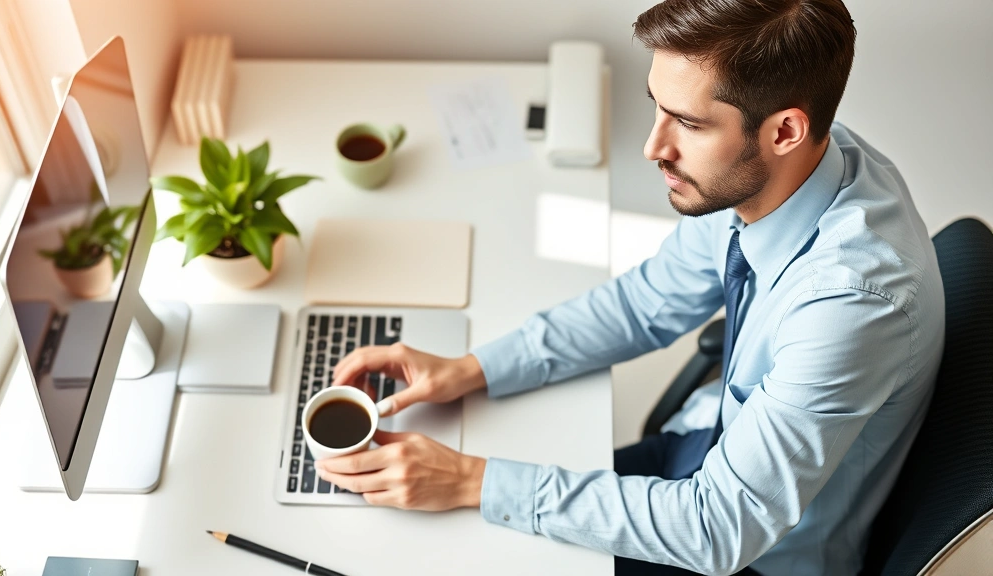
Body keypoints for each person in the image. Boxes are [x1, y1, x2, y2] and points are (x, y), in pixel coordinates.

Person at [315, 1, 946, 574]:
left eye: (688, 124)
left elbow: (719, 528)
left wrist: (468, 481)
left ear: (784, 131)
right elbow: (648, 302)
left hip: (754, 553)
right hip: (706, 448)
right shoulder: (781, 171)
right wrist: (471, 369)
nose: (653, 146)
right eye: (657, 105)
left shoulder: (853, 302)